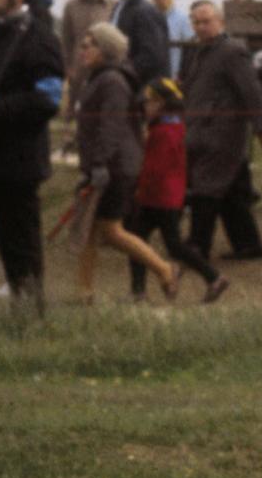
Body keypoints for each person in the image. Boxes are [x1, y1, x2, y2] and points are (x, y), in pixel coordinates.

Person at [67, 23, 181, 303]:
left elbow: (111, 126)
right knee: (93, 230)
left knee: (111, 230)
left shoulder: (112, 81)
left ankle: (165, 269)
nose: (83, 49)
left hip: (116, 167)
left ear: (105, 50)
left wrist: (100, 165)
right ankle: (83, 291)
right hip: (105, 164)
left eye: (89, 44)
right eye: (82, 44)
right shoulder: (99, 78)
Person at [0, 0, 63, 304]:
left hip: (16, 161)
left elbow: (48, 99)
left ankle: (29, 320)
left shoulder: (39, 39)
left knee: (20, 248)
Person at [178, 0, 262, 265]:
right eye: (197, 22)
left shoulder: (231, 51)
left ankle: (198, 246)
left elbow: (252, 94)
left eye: (207, 21)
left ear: (221, 22)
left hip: (221, 134)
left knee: (205, 188)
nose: (202, 27)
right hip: (200, 130)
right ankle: (248, 245)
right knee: (232, 193)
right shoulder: (197, 51)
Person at [131, 77, 226, 300]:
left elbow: (155, 168)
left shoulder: (164, 131)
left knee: (153, 243)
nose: (145, 106)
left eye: (149, 102)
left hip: (159, 198)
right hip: (167, 196)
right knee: (148, 241)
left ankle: (212, 277)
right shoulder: (172, 125)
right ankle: (140, 289)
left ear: (162, 104)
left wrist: (139, 188)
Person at [102, 0, 169, 90]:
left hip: (139, 92)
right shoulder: (119, 7)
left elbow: (151, 57)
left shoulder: (144, 11)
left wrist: (120, 75)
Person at [58, 0, 113, 84]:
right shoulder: (71, 5)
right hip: (79, 64)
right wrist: (68, 67)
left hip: (104, 63)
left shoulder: (111, 4)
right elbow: (67, 39)